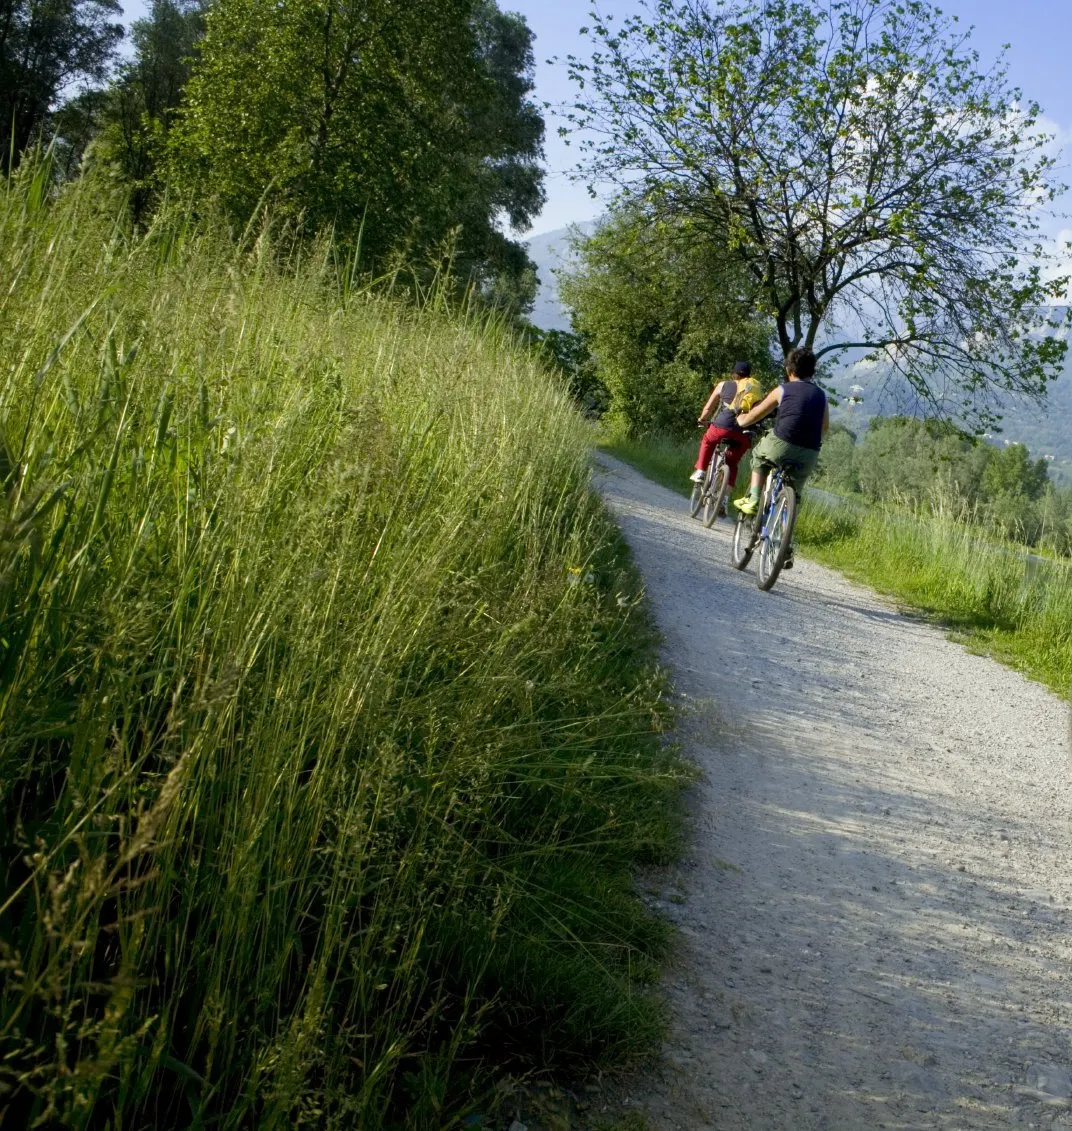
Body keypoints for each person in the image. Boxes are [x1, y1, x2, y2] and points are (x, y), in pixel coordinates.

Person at [733, 347, 828, 564]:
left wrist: (741, 421)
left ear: (788, 370)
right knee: (795, 493)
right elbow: (824, 427)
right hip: (809, 452)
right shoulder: (822, 396)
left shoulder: (782, 390)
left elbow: (756, 414)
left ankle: (753, 498)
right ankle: (786, 541)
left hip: (780, 445)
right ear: (813, 372)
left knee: (759, 455)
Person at [690, 361, 762, 492]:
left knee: (708, 440)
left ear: (734, 374)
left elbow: (708, 408)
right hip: (744, 432)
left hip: (722, 427)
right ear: (748, 375)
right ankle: (724, 499)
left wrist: (702, 419)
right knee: (732, 463)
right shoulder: (754, 389)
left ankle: (701, 471)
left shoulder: (723, 385)